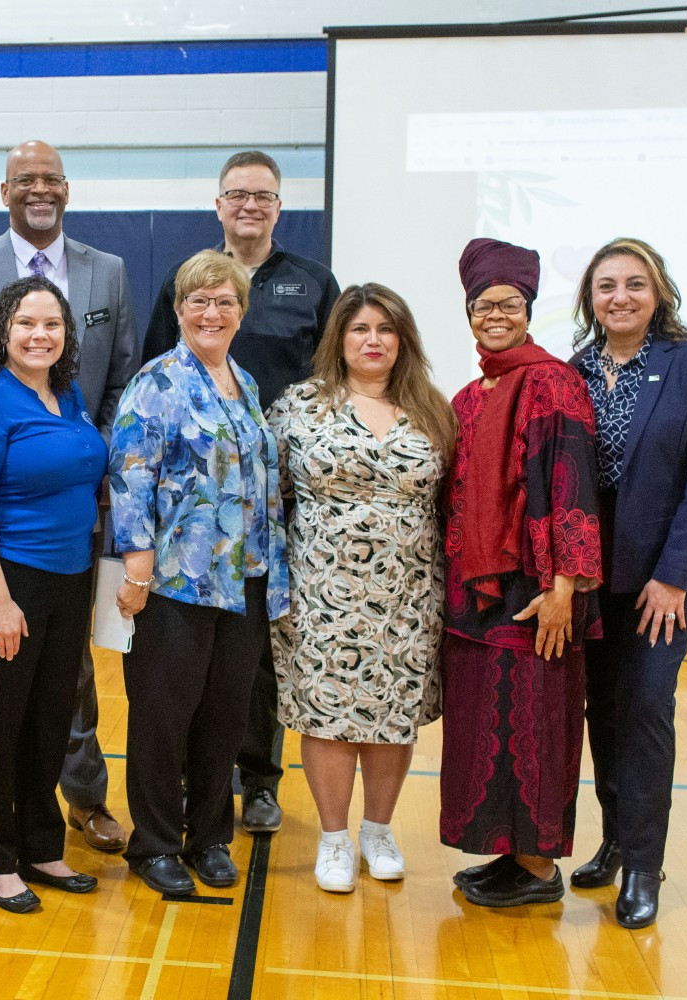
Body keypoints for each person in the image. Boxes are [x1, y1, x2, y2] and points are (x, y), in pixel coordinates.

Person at [0, 139, 138, 856]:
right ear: (4, 189)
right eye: (24, 179)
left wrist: (81, 459)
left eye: (49, 178)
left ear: (67, 189)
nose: (37, 189)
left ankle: (80, 798)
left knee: (68, 668)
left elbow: (118, 388)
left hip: (77, 508)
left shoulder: (107, 273)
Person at [142, 150, 340, 834]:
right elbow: (149, 390)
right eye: (237, 194)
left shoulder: (315, 284)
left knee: (252, 660)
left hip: (273, 508)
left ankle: (257, 777)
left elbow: (333, 384)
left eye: (263, 195)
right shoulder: (185, 279)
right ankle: (195, 790)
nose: (250, 205)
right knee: (186, 665)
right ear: (218, 204)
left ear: (279, 207)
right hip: (189, 524)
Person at [109, 250, 290, 895]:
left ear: (242, 312)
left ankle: (209, 836)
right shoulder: (154, 384)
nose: (211, 313)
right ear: (181, 309)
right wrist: (135, 569)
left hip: (243, 581)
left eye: (225, 302)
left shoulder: (244, 382)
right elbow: (131, 480)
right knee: (163, 718)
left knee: (224, 717)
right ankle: (154, 842)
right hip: (172, 585)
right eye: (198, 301)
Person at [567, 238, 687, 928]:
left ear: (658, 292)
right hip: (599, 573)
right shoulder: (576, 368)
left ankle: (643, 865)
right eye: (607, 286)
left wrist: (671, 577)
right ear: (591, 299)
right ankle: (614, 836)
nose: (621, 297)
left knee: (643, 706)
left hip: (667, 572)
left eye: (635, 284)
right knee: (600, 710)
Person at [267, 283, 455, 894]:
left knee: (390, 714)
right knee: (326, 712)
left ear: (404, 341)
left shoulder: (434, 409)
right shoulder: (299, 405)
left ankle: (378, 830)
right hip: (321, 585)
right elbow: (270, 496)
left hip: (409, 589)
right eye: (359, 330)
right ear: (338, 340)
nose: (373, 341)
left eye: (386, 330)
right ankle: (333, 839)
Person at [440, 238, 604, 909]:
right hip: (477, 595)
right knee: (490, 726)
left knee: (537, 726)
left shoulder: (554, 381)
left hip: (539, 590)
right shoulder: (467, 396)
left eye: (509, 304)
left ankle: (539, 870)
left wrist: (565, 586)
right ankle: (512, 857)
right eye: (484, 306)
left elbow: (572, 485)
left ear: (529, 309)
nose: (495, 315)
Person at [0, 275, 108, 912]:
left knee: (50, 720)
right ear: (4, 332)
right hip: (5, 579)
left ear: (66, 335)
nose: (39, 335)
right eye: (26, 324)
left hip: (71, 581)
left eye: (52, 325)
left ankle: (41, 846)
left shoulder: (66, 398)